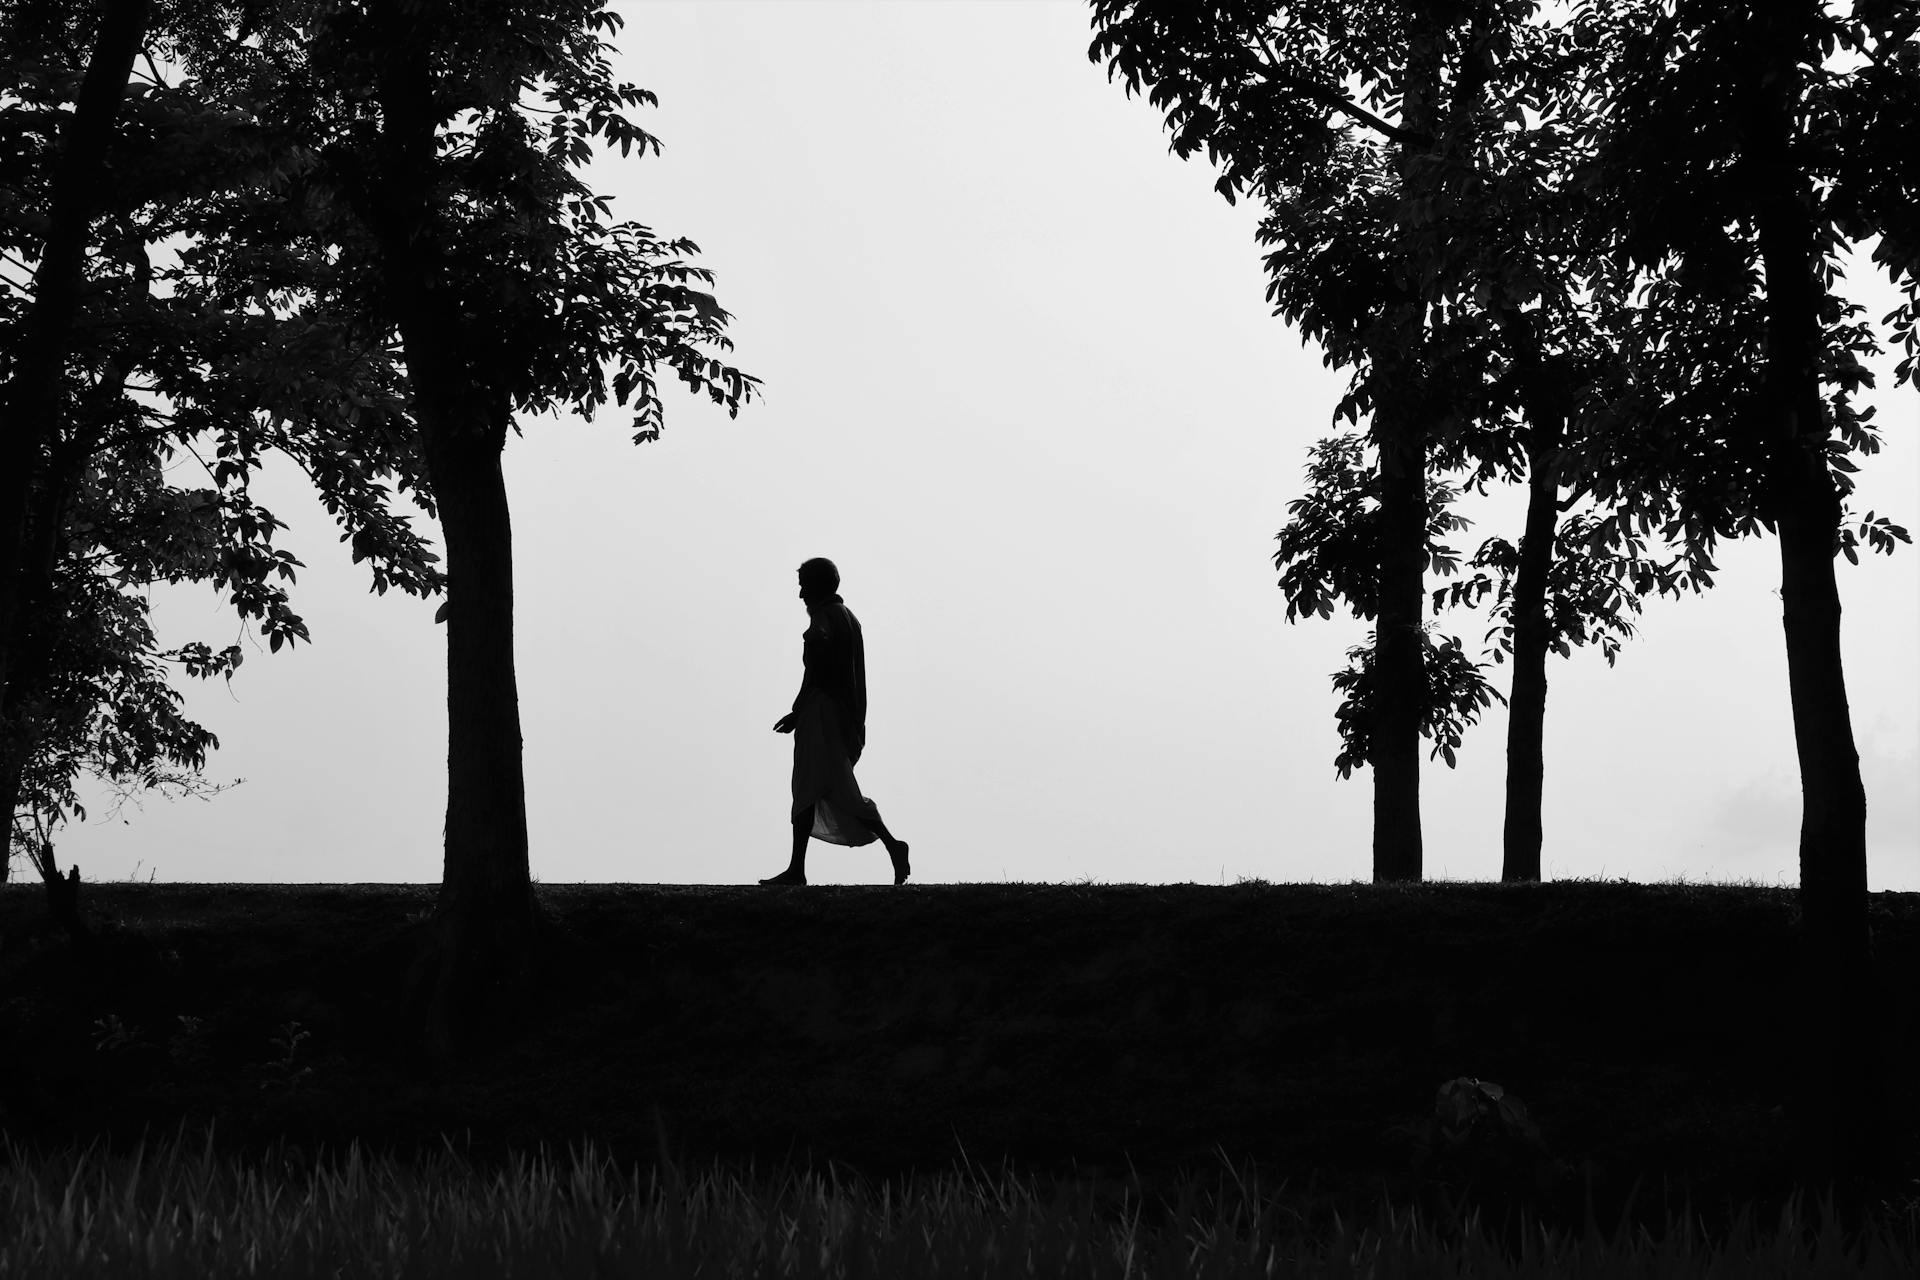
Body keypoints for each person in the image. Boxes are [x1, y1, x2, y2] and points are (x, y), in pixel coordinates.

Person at [761, 558, 911, 886]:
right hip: (840, 716)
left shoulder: (825, 617)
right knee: (827, 789)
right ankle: (887, 846)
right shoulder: (849, 618)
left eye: (804, 585)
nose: (800, 594)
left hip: (823, 713)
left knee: (811, 788)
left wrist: (798, 711)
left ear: (817, 586)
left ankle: (797, 869)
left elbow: (816, 670)